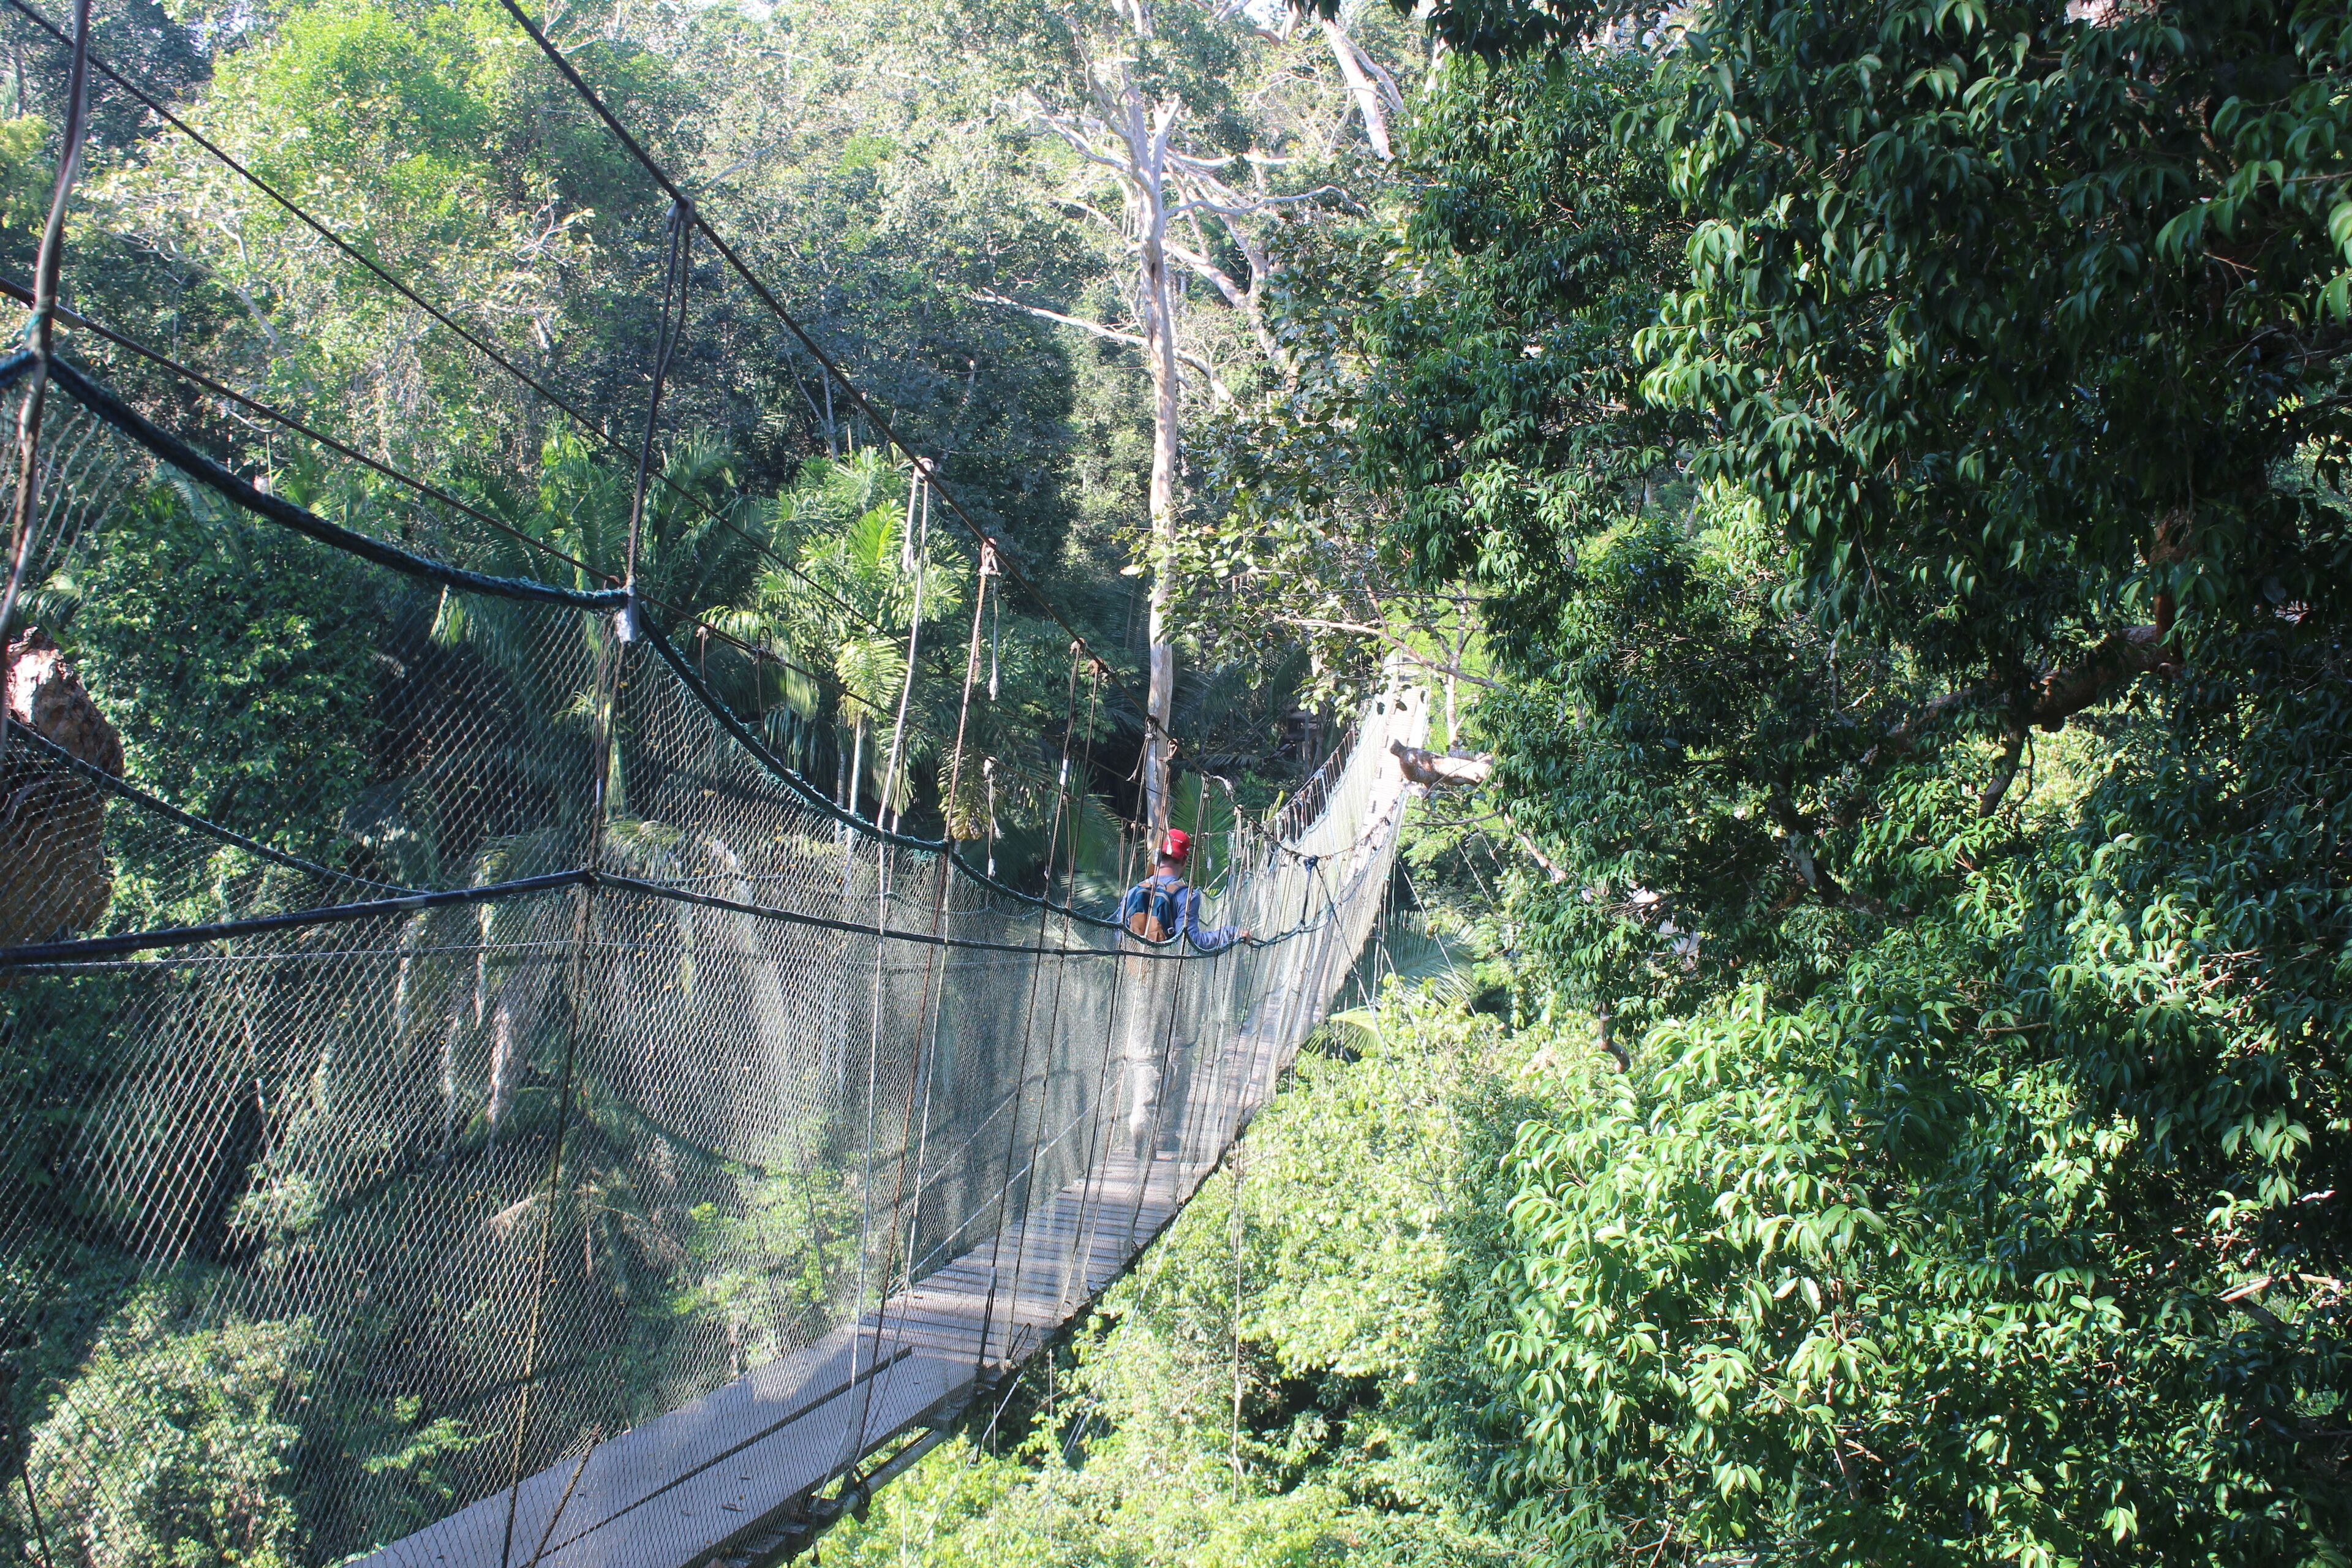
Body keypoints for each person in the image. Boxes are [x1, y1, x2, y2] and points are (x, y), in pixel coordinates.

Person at [1117, 828, 1250, 952]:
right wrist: (1232, 933)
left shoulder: (1133, 892)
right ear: (1185, 860)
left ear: (1158, 857)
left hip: (1131, 971)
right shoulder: (1187, 896)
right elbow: (1191, 942)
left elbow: (1118, 934)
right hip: (1166, 972)